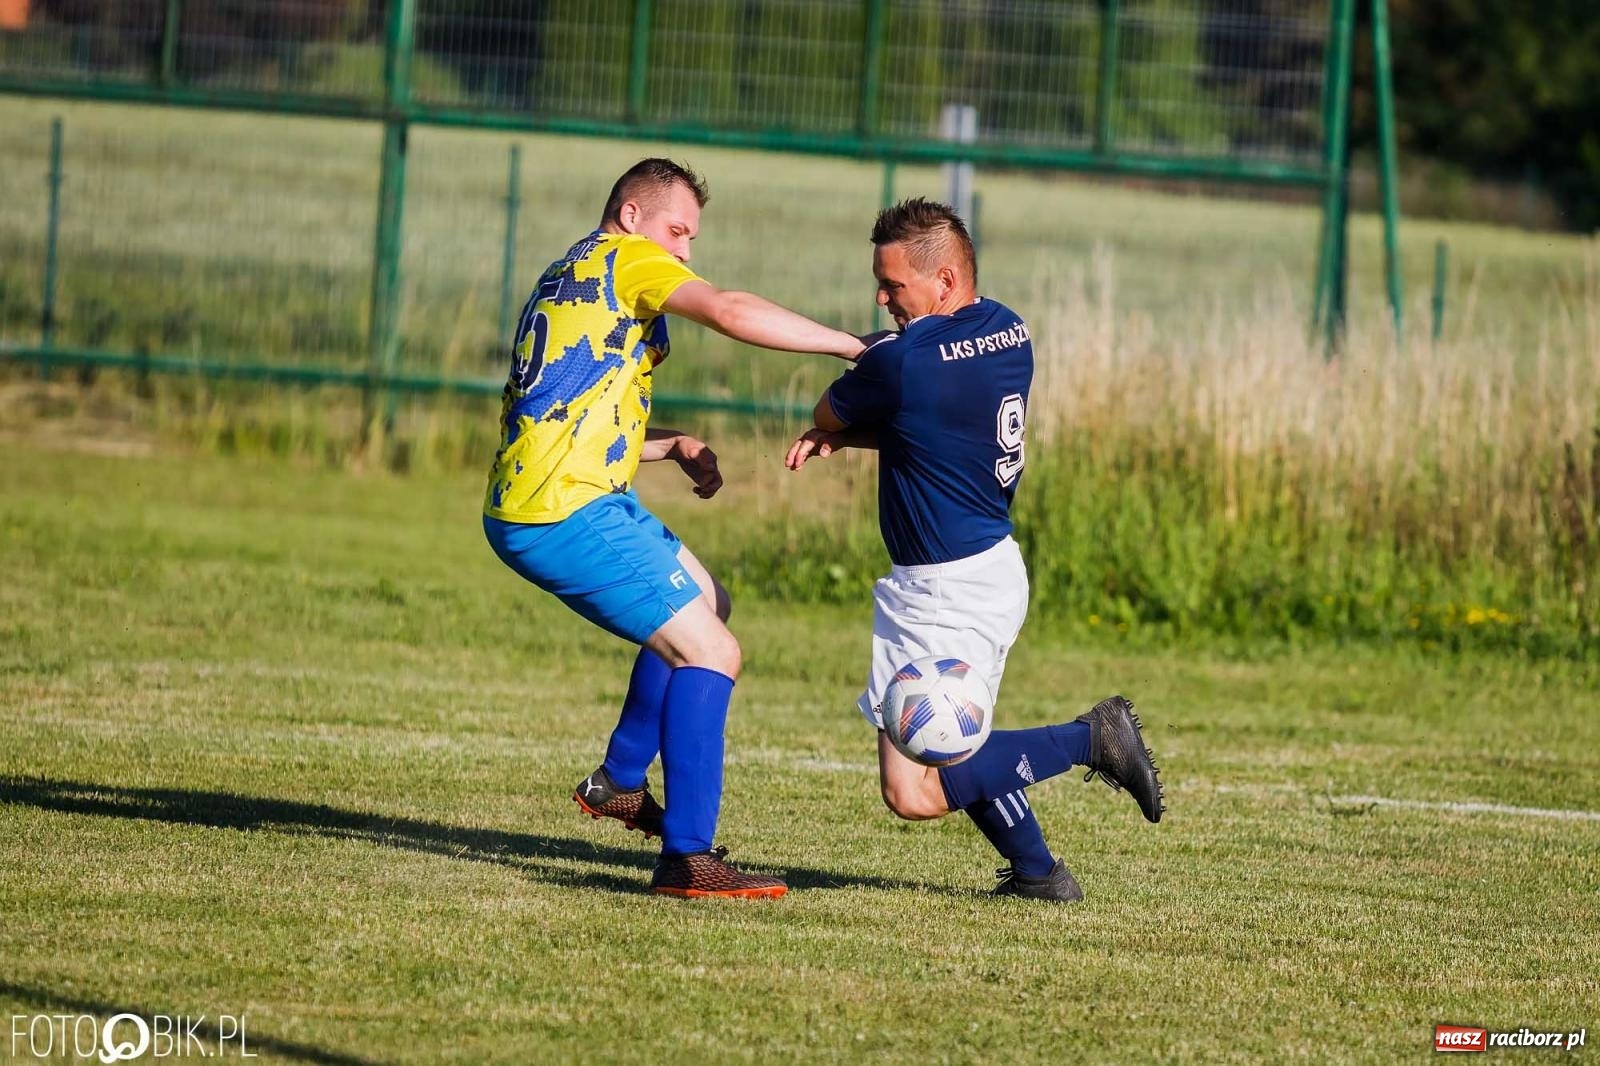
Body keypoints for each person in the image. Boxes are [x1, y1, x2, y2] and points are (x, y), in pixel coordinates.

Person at [484, 158, 863, 899]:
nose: (684, 251)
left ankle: (621, 780)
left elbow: (567, 407)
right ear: (632, 216)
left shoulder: (571, 270)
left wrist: (672, 443)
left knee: (709, 602)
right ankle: (688, 858)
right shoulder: (627, 258)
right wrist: (851, 345)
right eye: (677, 231)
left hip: (554, 494)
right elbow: (728, 308)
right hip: (564, 509)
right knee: (712, 652)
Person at [784, 198, 1165, 901]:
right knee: (955, 740)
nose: (882, 300)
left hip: (943, 590)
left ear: (945, 281)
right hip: (984, 569)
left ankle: (1092, 739)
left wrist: (851, 373)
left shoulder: (905, 362)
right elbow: (932, 425)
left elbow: (828, 409)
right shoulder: (1007, 327)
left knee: (913, 789)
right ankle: (1039, 873)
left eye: (893, 286)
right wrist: (864, 422)